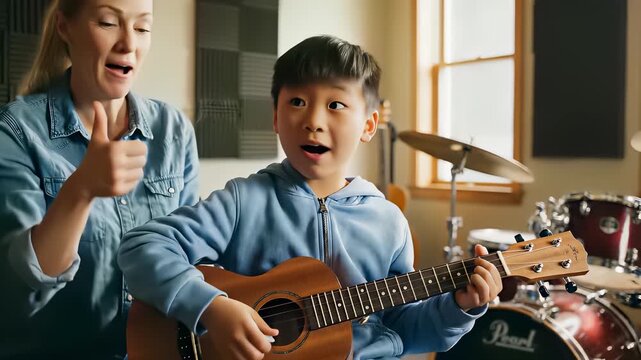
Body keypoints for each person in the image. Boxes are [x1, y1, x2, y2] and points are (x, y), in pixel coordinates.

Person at [118, 35, 501, 360]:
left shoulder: (389, 222)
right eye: (297, 102)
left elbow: (405, 327)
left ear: (368, 125)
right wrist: (211, 307)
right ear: (275, 117)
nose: (313, 120)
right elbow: (142, 246)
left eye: (335, 105)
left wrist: (459, 307)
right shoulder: (244, 201)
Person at [0, 0, 199, 358]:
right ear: (65, 27)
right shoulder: (15, 131)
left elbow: (188, 256)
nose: (128, 44)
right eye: (108, 23)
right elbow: (12, 297)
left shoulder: (173, 130)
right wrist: (81, 190)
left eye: (142, 28)